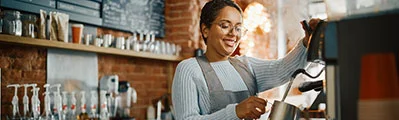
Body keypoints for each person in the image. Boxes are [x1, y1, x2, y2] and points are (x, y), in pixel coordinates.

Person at [171, 0, 320, 119]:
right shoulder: (189, 69)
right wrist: (235, 112)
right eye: (225, 25)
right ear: (205, 30)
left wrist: (307, 43)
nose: (233, 34)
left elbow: (283, 69)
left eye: (238, 28)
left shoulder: (246, 66)